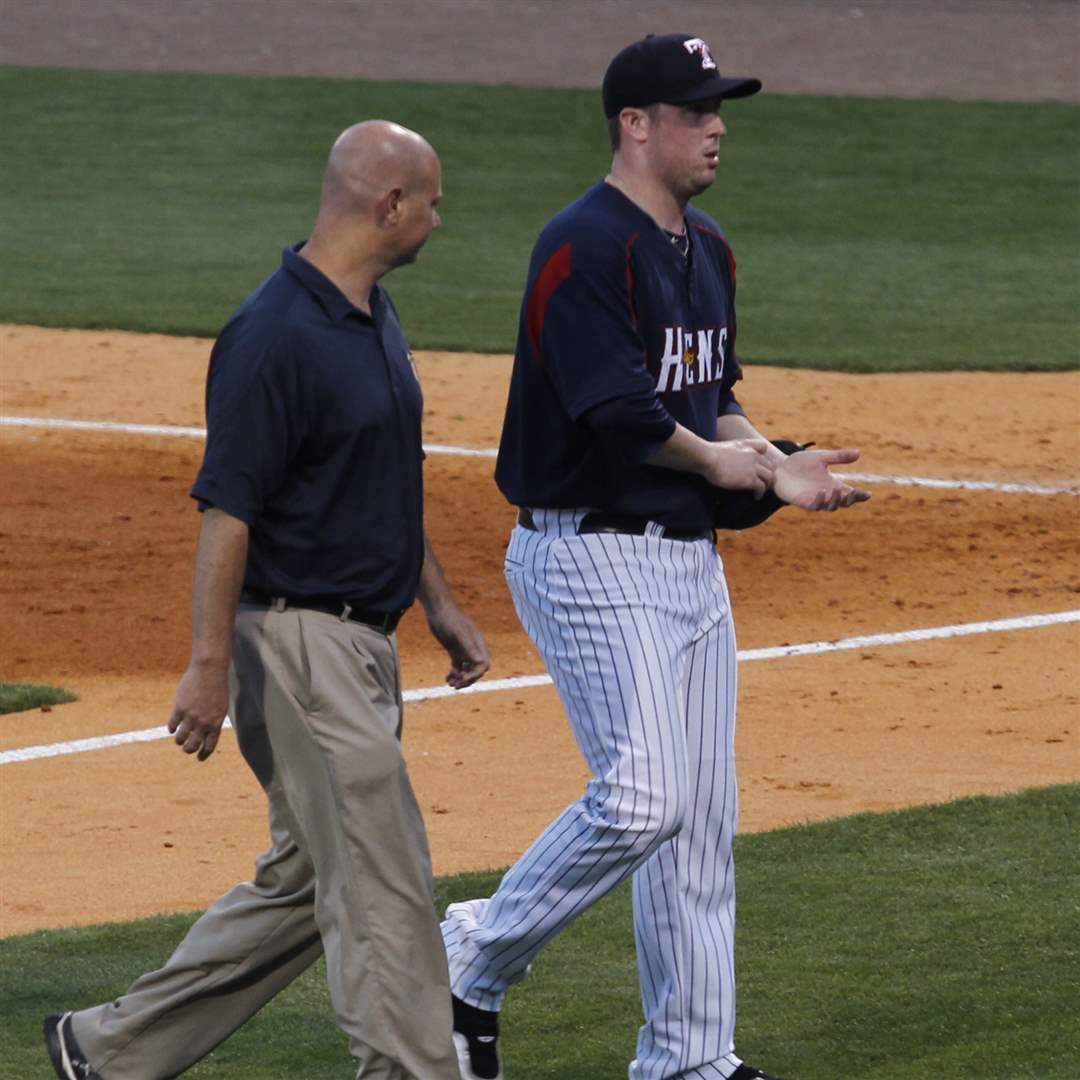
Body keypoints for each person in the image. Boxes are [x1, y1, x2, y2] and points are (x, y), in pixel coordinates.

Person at [443, 34, 870, 1080]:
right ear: (635, 125)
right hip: (589, 555)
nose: (717, 125)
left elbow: (707, 397)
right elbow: (623, 416)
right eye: (695, 110)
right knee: (643, 797)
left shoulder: (707, 247)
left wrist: (770, 461)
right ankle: (470, 948)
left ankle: (690, 1060)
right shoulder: (582, 246)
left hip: (684, 565)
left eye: (718, 107)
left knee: (700, 822)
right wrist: (732, 472)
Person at [44, 120, 490, 1080]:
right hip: (298, 645)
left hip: (362, 644)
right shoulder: (271, 335)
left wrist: (438, 601)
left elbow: (381, 477)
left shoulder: (373, 316)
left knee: (307, 880)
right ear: (389, 205)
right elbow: (226, 515)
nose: (440, 221)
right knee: (383, 881)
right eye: (433, 202)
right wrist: (208, 670)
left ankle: (108, 1051)